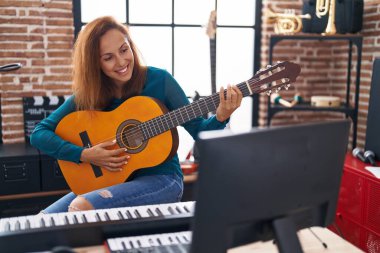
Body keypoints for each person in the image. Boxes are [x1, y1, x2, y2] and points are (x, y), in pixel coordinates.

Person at [30, 16, 243, 214]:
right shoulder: (88, 94)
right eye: (108, 58)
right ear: (95, 63)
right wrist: (85, 154)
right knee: (40, 222)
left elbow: (200, 132)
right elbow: (39, 133)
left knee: (81, 207)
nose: (121, 62)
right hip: (110, 182)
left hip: (162, 180)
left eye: (124, 50)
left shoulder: (160, 81)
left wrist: (221, 116)